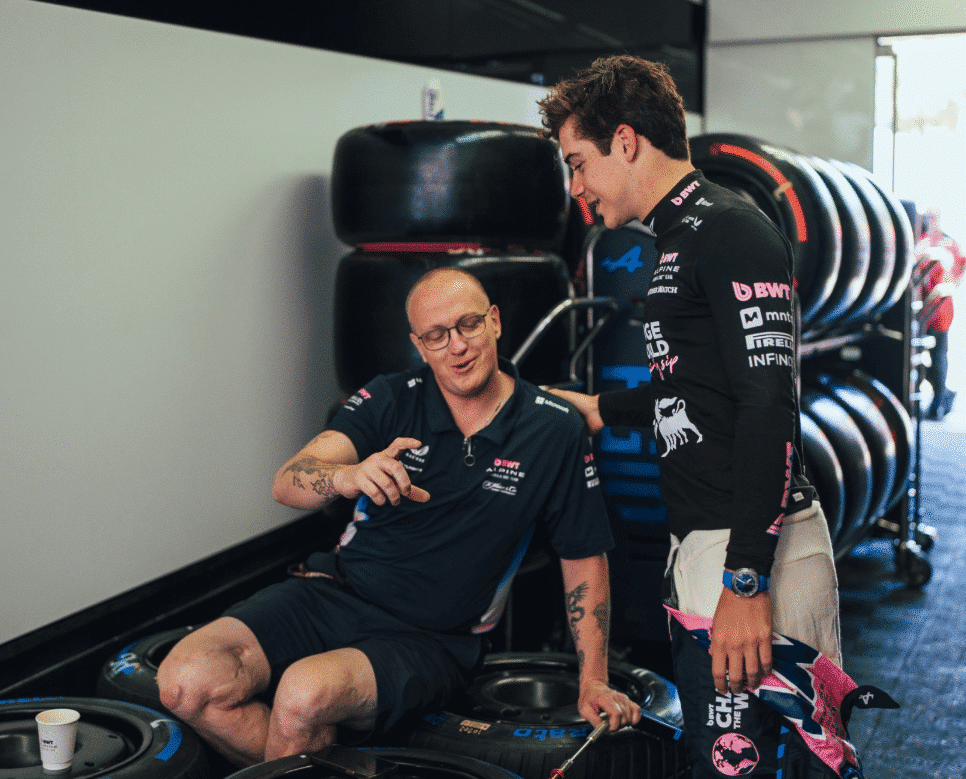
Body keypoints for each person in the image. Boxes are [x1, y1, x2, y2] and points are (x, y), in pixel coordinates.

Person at [156, 267, 640, 767]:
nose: (457, 346)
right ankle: (324, 766)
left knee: (302, 695)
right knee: (185, 680)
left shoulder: (552, 428)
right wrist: (347, 476)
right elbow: (288, 480)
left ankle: (308, 759)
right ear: (419, 346)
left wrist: (594, 680)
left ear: (495, 321)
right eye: (437, 335)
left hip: (432, 640)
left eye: (469, 324)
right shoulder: (391, 396)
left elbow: (584, 557)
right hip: (335, 592)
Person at [537, 56, 843, 776]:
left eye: (578, 164)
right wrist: (604, 408)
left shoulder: (732, 231)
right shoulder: (676, 237)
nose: (576, 188)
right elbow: (699, 390)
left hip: (751, 559)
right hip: (708, 550)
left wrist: (746, 580)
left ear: (625, 141)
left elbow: (768, 406)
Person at [915, 211, 966, 420]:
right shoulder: (941, 242)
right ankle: (942, 397)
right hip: (931, 307)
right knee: (928, 357)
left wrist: (953, 284)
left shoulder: (929, 242)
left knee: (934, 357)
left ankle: (939, 401)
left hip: (935, 309)